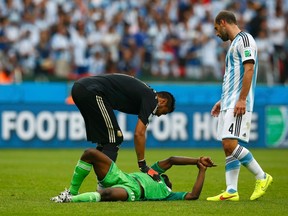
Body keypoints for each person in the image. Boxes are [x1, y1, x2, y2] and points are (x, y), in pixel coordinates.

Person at [206, 11, 273, 202]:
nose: (217, 33)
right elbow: (234, 78)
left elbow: (249, 69)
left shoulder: (245, 39)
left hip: (238, 103)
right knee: (227, 147)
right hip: (230, 101)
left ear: (223, 22)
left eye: (217, 28)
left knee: (230, 144)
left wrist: (242, 99)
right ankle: (231, 190)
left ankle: (262, 176)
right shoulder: (234, 44)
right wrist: (222, 100)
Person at [71, 73, 176, 180]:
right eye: (163, 113)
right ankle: (104, 187)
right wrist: (142, 164)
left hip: (80, 88)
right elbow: (139, 133)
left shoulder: (145, 93)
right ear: (163, 101)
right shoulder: (152, 99)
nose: (158, 115)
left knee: (106, 141)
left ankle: (75, 190)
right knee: (114, 139)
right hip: (93, 91)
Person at [50, 148, 216, 203]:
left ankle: (69, 200)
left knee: (107, 194)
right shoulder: (154, 173)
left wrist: (202, 170)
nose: (169, 180)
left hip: (133, 191)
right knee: (90, 153)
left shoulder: (169, 195)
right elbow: (172, 160)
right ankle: (72, 191)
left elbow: (194, 195)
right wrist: (197, 160)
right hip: (123, 177)